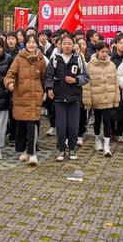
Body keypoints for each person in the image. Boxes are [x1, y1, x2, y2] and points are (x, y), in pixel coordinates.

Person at [45, 33, 90, 161]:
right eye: (64, 44)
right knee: (60, 125)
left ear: (73, 45)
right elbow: (48, 77)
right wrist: (49, 88)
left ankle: (72, 148)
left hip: (74, 98)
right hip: (59, 97)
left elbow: (86, 77)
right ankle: (61, 150)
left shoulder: (79, 59)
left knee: (73, 125)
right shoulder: (55, 59)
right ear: (60, 45)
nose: (67, 46)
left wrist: (75, 80)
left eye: (69, 43)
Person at [4, 34, 46, 165]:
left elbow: (44, 77)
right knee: (21, 126)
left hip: (35, 97)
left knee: (32, 125)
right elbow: (10, 74)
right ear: (25, 44)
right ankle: (23, 151)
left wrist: (44, 91)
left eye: (34, 42)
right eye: (29, 42)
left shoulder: (41, 59)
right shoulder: (19, 58)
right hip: (21, 96)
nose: (31, 44)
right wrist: (10, 83)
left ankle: (32, 153)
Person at [83, 42, 118, 157]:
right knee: (97, 120)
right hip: (96, 99)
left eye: (106, 52)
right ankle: (97, 139)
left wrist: (116, 97)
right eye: (102, 52)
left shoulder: (112, 65)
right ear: (97, 52)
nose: (104, 54)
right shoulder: (90, 65)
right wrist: (88, 101)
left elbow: (116, 83)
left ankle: (107, 145)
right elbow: (87, 85)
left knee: (107, 120)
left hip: (108, 98)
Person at [110, 35, 123, 142]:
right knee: (112, 110)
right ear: (115, 44)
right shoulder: (110, 57)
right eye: (120, 43)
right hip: (113, 87)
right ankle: (112, 131)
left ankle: (119, 133)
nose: (122, 45)